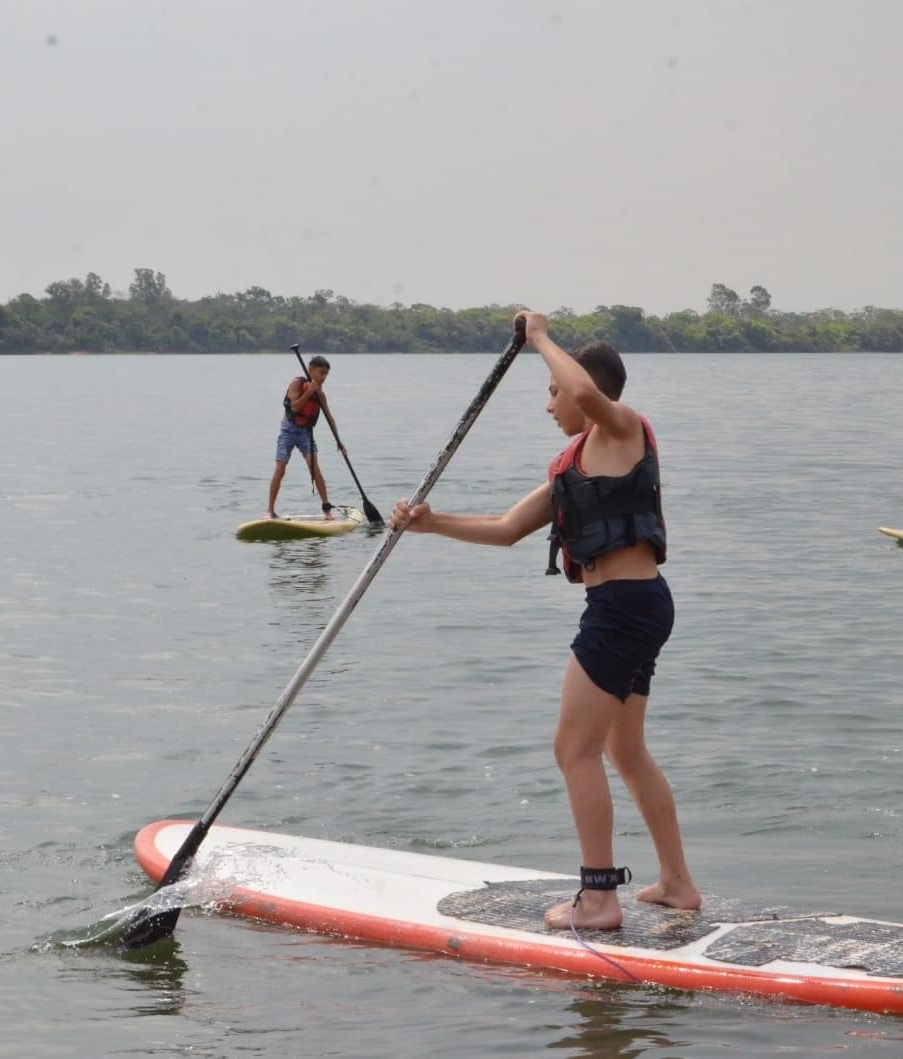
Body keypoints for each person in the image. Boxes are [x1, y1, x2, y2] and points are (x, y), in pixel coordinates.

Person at [390, 310, 700, 931]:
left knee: (573, 750)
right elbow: (506, 530)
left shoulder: (623, 428)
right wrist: (430, 521)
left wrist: (538, 337)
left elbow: (586, 391)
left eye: (553, 391)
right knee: (624, 749)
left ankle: (598, 899)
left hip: (621, 611)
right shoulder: (576, 463)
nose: (550, 404)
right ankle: (677, 884)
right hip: (634, 607)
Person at [267, 355, 344, 520]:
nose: (323, 377)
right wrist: (308, 392)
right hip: (288, 430)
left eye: (326, 374)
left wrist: (339, 441)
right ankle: (270, 511)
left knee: (314, 468)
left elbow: (330, 418)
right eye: (321, 372)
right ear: (310, 370)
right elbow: (294, 408)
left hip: (305, 433)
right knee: (280, 469)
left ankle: (326, 510)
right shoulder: (297, 384)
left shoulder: (320, 395)